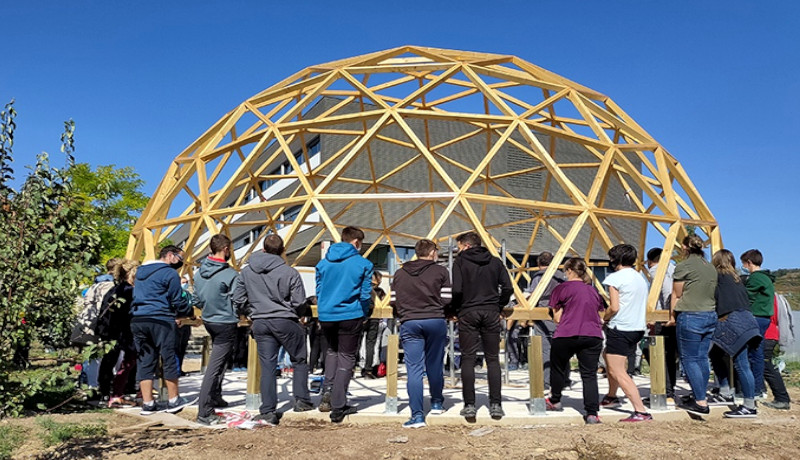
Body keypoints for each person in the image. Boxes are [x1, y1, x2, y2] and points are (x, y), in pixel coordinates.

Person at [233, 233, 313, 426]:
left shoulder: (247, 272)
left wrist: (251, 311)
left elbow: (237, 298)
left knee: (268, 367)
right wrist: (299, 313)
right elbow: (299, 301)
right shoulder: (289, 272)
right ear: (282, 251)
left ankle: (268, 410)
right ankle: (301, 400)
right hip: (286, 321)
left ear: (263, 249)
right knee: (299, 359)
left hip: (261, 322)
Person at [452, 231, 513, 421]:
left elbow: (457, 289)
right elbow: (508, 287)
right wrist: (499, 305)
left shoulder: (460, 262)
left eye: (460, 246)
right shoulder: (495, 261)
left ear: (467, 245)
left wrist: (457, 309)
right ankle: (496, 404)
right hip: (491, 312)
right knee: (493, 359)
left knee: (468, 359)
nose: (458, 249)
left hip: (468, 312)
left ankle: (469, 405)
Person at [390, 239, 452, 428]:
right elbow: (448, 298)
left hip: (410, 321)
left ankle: (417, 415)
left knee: (414, 369)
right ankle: (436, 402)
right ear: (432, 252)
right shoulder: (441, 271)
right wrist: (434, 307)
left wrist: (408, 310)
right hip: (435, 320)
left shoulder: (400, 274)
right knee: (434, 363)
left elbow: (393, 300)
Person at [315, 226, 374, 423]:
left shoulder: (323, 263)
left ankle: (328, 391)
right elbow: (365, 294)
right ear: (356, 242)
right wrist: (364, 312)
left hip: (326, 315)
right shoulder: (363, 264)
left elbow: (319, 289)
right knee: (347, 357)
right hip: (350, 315)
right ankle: (338, 405)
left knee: (332, 352)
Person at [130, 245, 195, 415]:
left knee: (145, 359)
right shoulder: (169, 273)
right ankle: (174, 400)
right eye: (179, 259)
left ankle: (148, 403)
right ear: (170, 255)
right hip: (161, 319)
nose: (180, 263)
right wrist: (188, 313)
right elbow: (177, 299)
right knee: (168, 357)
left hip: (138, 318)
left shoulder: (140, 272)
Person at [545, 258, 606, 424]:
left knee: (558, 368)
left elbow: (557, 318)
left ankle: (555, 400)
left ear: (569, 270)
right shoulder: (593, 291)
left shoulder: (561, 289)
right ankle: (592, 413)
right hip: (592, 335)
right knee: (589, 375)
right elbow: (600, 316)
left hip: (567, 333)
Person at [600, 244, 652, 422]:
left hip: (620, 327)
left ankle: (640, 411)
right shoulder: (639, 278)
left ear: (616, 260)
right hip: (637, 328)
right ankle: (611, 396)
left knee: (618, 370)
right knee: (607, 356)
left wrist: (604, 318)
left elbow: (614, 307)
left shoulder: (615, 278)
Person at [193, 235, 240, 425]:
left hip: (209, 320)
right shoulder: (230, 275)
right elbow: (238, 300)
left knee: (220, 361)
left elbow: (196, 300)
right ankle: (204, 410)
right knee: (215, 366)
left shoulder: (198, 273)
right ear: (226, 249)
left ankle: (215, 397)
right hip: (226, 322)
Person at [710, 249, 761, 418]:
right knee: (716, 354)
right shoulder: (737, 278)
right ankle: (725, 393)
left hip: (733, 322)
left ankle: (749, 405)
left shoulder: (717, 278)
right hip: (748, 321)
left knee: (741, 364)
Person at [671, 235, 717, 416]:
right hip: (710, 314)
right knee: (701, 358)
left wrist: (672, 316)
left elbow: (677, 294)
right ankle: (698, 395)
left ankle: (700, 401)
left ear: (684, 247)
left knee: (689, 359)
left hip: (690, 314)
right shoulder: (710, 267)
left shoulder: (684, 266)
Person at [523, 251, 566, 386]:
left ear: (538, 263)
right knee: (562, 349)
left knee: (546, 349)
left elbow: (531, 294)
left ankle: (547, 381)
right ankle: (563, 379)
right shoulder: (562, 276)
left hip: (543, 315)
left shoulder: (539, 276)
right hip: (561, 314)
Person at [101, 259, 140, 408]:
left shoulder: (115, 289)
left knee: (110, 361)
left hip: (111, 329)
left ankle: (107, 392)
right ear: (132, 274)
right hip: (122, 330)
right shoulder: (129, 291)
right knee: (127, 361)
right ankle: (116, 393)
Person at [740, 249, 775, 399]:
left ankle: (753, 388)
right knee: (757, 353)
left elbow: (747, 296)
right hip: (764, 317)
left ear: (749, 263)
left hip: (756, 316)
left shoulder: (755, 278)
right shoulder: (766, 278)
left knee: (752, 354)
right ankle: (759, 387)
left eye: (744, 264)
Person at [644, 247, 678, 402]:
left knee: (657, 353)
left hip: (663, 318)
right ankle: (668, 390)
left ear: (651, 261)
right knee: (670, 355)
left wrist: (664, 316)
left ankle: (664, 391)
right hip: (672, 316)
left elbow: (666, 292)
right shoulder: (673, 268)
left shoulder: (657, 270)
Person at [762, 297, 792, 410]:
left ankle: (782, 398)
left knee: (766, 366)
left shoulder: (768, 298)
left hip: (766, 334)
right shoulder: (776, 297)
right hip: (771, 334)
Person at [361, 271, 385, 379]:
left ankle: (352, 369)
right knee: (370, 345)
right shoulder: (380, 292)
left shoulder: (362, 288)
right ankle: (368, 371)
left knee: (356, 344)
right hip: (374, 319)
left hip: (362, 318)